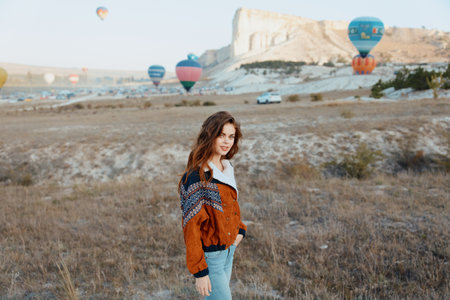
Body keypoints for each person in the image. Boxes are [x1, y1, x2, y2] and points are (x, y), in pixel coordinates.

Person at [179, 111, 247, 299]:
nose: (226, 141)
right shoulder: (196, 177)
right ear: (210, 135)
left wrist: (240, 230)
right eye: (221, 135)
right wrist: (200, 272)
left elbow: (231, 206)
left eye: (231, 136)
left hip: (229, 250)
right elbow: (191, 227)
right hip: (212, 258)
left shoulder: (227, 167)